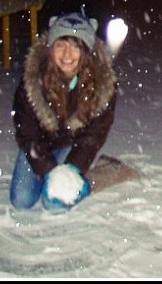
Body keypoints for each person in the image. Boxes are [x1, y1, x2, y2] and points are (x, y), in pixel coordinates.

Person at [9, 12, 118, 212]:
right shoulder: (33, 79)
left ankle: (97, 176)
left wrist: (72, 168)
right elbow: (27, 132)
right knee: (22, 200)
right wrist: (48, 169)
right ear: (51, 48)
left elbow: (94, 134)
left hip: (72, 143)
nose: (67, 55)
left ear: (86, 50)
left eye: (76, 46)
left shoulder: (101, 82)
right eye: (61, 45)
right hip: (39, 145)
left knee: (54, 204)